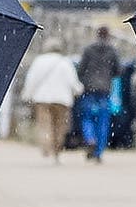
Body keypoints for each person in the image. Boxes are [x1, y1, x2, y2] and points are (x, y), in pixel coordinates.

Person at [75, 26, 126, 163]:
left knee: (87, 117)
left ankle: (90, 138)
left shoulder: (88, 50)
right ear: (108, 35)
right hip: (105, 90)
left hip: (89, 88)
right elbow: (119, 71)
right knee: (103, 121)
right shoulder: (112, 51)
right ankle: (98, 152)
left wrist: (86, 80)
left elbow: (80, 70)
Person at [20, 47, 82, 159]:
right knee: (60, 125)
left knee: (44, 124)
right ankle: (57, 148)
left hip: (42, 98)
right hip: (62, 99)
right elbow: (72, 81)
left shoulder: (39, 61)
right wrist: (78, 90)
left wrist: (27, 94)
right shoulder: (65, 62)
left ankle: (46, 146)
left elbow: (32, 79)